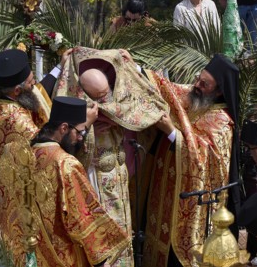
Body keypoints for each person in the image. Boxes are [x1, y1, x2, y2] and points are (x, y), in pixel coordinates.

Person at [54, 47, 170, 267]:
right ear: (84, 94)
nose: (106, 100)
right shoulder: (73, 119)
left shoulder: (114, 105)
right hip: (95, 184)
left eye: (107, 93)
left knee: (125, 234)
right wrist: (88, 126)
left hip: (119, 182)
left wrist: (132, 67)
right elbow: (67, 152)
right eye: (100, 96)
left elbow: (149, 103)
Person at [0, 96, 131, 266]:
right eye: (80, 132)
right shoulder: (65, 164)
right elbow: (83, 218)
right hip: (60, 258)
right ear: (64, 128)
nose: (81, 138)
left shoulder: (17, 154)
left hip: (24, 256)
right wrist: (100, 259)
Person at [137, 53, 240, 266]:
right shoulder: (194, 98)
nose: (196, 85)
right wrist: (134, 68)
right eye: (197, 79)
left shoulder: (222, 123)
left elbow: (203, 160)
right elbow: (168, 88)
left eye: (205, 84)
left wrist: (171, 131)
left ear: (219, 90)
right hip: (165, 192)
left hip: (191, 205)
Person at [0, 48, 69, 224]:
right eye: (30, 83)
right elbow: (47, 150)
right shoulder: (17, 121)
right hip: (7, 206)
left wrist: (60, 67)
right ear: (16, 91)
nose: (34, 85)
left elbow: (37, 91)